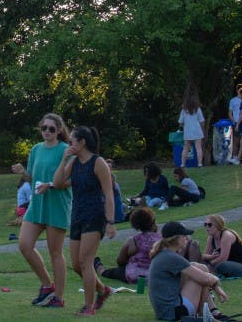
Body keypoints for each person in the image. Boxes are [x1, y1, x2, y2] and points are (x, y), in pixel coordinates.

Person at [50, 126, 117, 316]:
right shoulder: (73, 162)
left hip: (94, 214)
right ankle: (103, 290)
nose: (69, 144)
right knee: (77, 264)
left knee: (86, 261)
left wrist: (111, 222)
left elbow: (109, 194)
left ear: (82, 142)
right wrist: (64, 159)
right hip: (77, 214)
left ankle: (88, 307)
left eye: (72, 141)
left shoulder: (98, 163)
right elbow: (57, 184)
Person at [10, 113, 72, 308]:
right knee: (24, 245)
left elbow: (69, 181)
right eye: (44, 128)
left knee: (55, 252)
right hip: (37, 205)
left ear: (59, 131)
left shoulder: (66, 150)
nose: (47, 132)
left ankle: (59, 298)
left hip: (57, 205)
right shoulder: (36, 149)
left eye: (51, 129)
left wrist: (51, 185)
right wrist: (23, 173)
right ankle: (47, 285)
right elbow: (33, 178)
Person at [148, 221, 228, 321]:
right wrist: (217, 287)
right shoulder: (170, 257)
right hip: (175, 312)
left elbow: (198, 270)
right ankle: (205, 314)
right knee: (201, 278)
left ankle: (212, 311)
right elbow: (205, 279)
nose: (187, 238)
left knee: (200, 268)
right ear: (176, 238)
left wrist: (212, 282)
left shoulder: (165, 254)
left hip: (166, 311)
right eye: (184, 236)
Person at [96, 206, 159, 284]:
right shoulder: (161, 240)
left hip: (134, 276)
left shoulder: (132, 241)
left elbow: (120, 261)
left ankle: (98, 266)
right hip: (155, 276)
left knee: (108, 272)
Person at [178, 81, 205, 167]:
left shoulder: (184, 110)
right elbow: (202, 121)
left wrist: (181, 128)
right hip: (197, 130)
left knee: (185, 148)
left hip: (188, 131)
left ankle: (183, 164)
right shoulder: (198, 109)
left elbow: (180, 122)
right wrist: (202, 129)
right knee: (198, 148)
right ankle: (200, 163)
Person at [228, 84, 242, 163]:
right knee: (236, 141)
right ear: (237, 91)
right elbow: (230, 113)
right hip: (236, 122)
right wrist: (234, 121)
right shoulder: (233, 100)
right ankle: (235, 157)